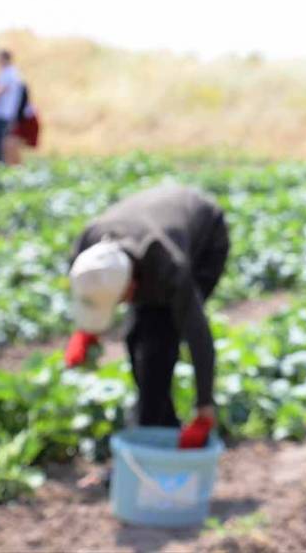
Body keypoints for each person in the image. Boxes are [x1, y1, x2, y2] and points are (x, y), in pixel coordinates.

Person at [64, 184, 230, 449]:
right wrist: (85, 329)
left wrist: (204, 407)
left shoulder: (169, 267)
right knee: (135, 338)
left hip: (206, 235)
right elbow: (89, 290)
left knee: (158, 340)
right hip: (153, 224)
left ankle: (154, 431)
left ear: (131, 284)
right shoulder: (87, 249)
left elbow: (198, 335)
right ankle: (157, 422)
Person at [0, 49, 22, 162]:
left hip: (3, 112)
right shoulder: (5, 72)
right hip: (2, 111)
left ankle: (0, 165)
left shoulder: (10, 73)